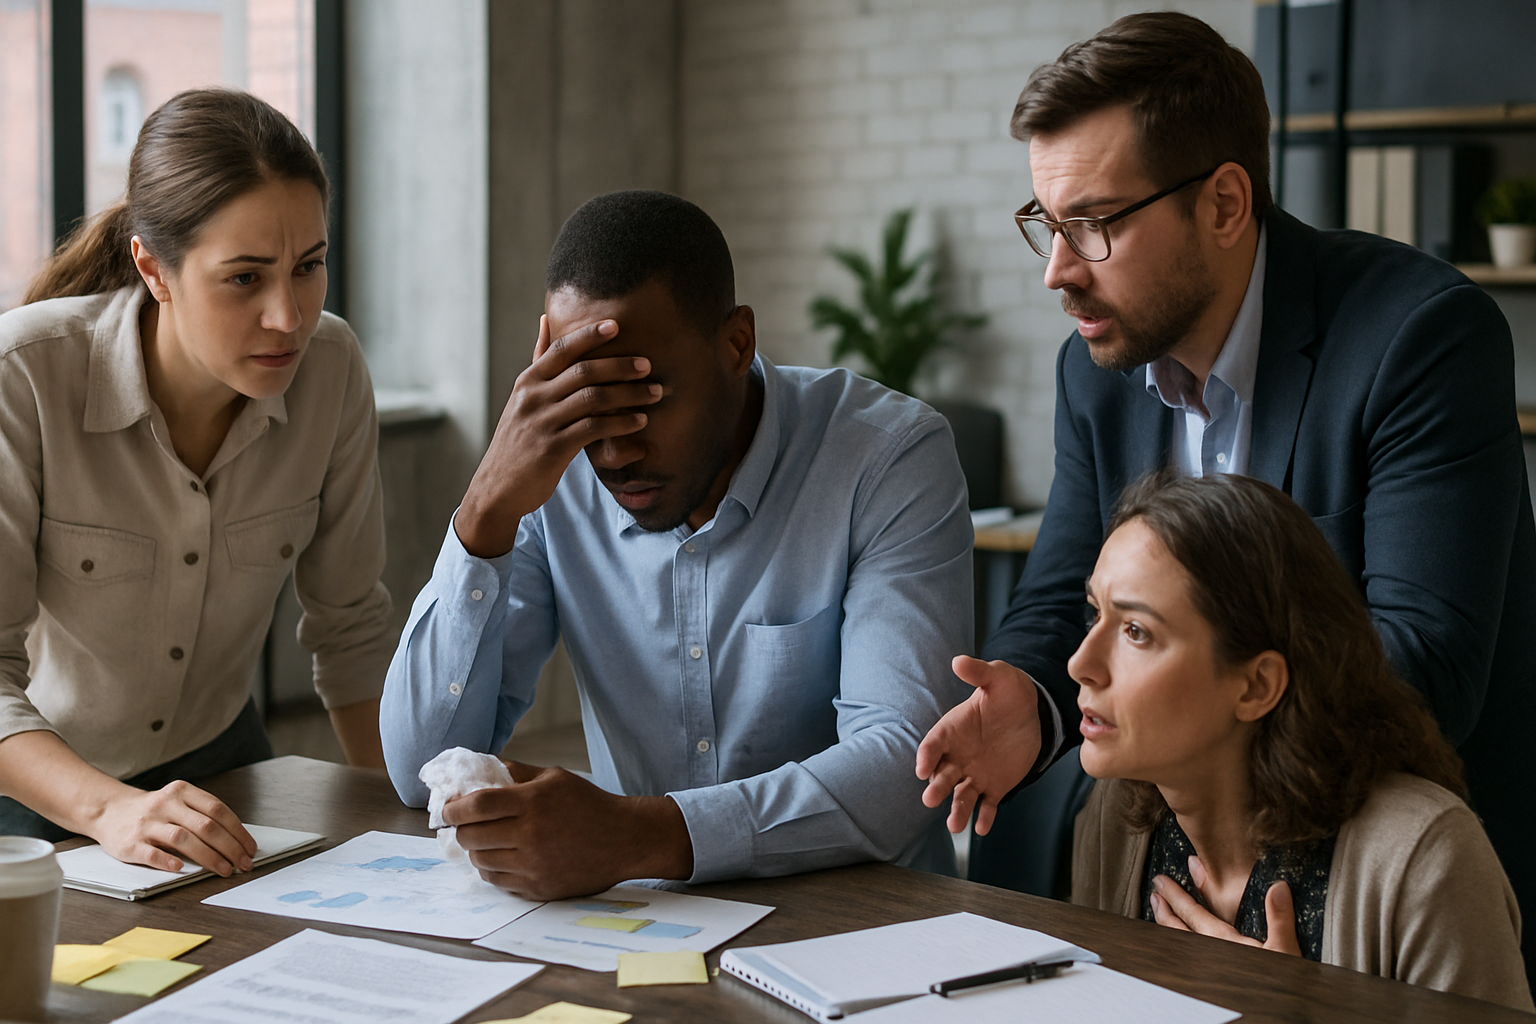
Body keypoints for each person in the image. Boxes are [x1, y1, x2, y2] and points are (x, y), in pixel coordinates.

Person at [914, 11, 1536, 978]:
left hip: (1387, 871)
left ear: (1225, 204)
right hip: (1185, 842)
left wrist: (1236, 849)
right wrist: (1034, 702)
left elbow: (1425, 668)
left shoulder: (1421, 338)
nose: (1057, 271)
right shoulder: (1095, 371)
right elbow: (1057, 596)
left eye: (1095, 225)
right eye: (1047, 221)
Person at [381, 189, 971, 899]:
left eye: (647, 396)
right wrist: (486, 509)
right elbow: (421, 766)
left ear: (736, 345)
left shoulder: (888, 457)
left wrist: (638, 835)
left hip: (865, 921)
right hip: (651, 933)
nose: (616, 450)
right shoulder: (553, 476)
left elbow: (904, 767)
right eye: (589, 402)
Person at [0, 89, 394, 876]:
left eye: (309, 267)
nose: (289, 316)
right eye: (245, 279)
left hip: (222, 780)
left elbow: (351, 628)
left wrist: (405, 823)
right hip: (38, 797)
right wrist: (110, 809)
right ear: (155, 268)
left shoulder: (332, 369)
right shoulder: (24, 377)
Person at [1069, 471, 1532, 1011]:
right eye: (1096, 613)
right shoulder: (1119, 817)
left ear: (1258, 685)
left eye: (1136, 632)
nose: (1080, 663)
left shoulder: (1426, 859)